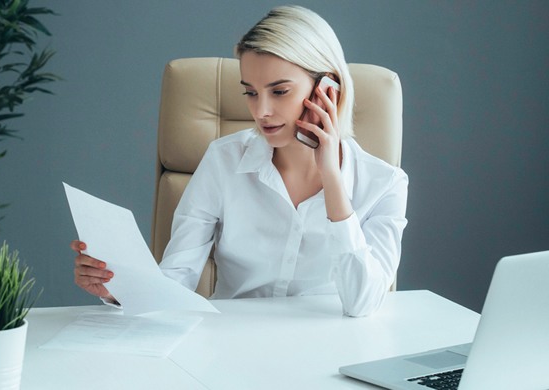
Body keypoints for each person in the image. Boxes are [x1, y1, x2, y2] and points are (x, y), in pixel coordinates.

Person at [71, 5, 408, 317]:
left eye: (279, 92)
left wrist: (332, 179)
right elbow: (176, 276)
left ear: (328, 90)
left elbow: (363, 303)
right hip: (230, 349)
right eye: (250, 92)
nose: (260, 111)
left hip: (328, 355)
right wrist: (118, 289)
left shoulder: (385, 184)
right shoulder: (223, 159)